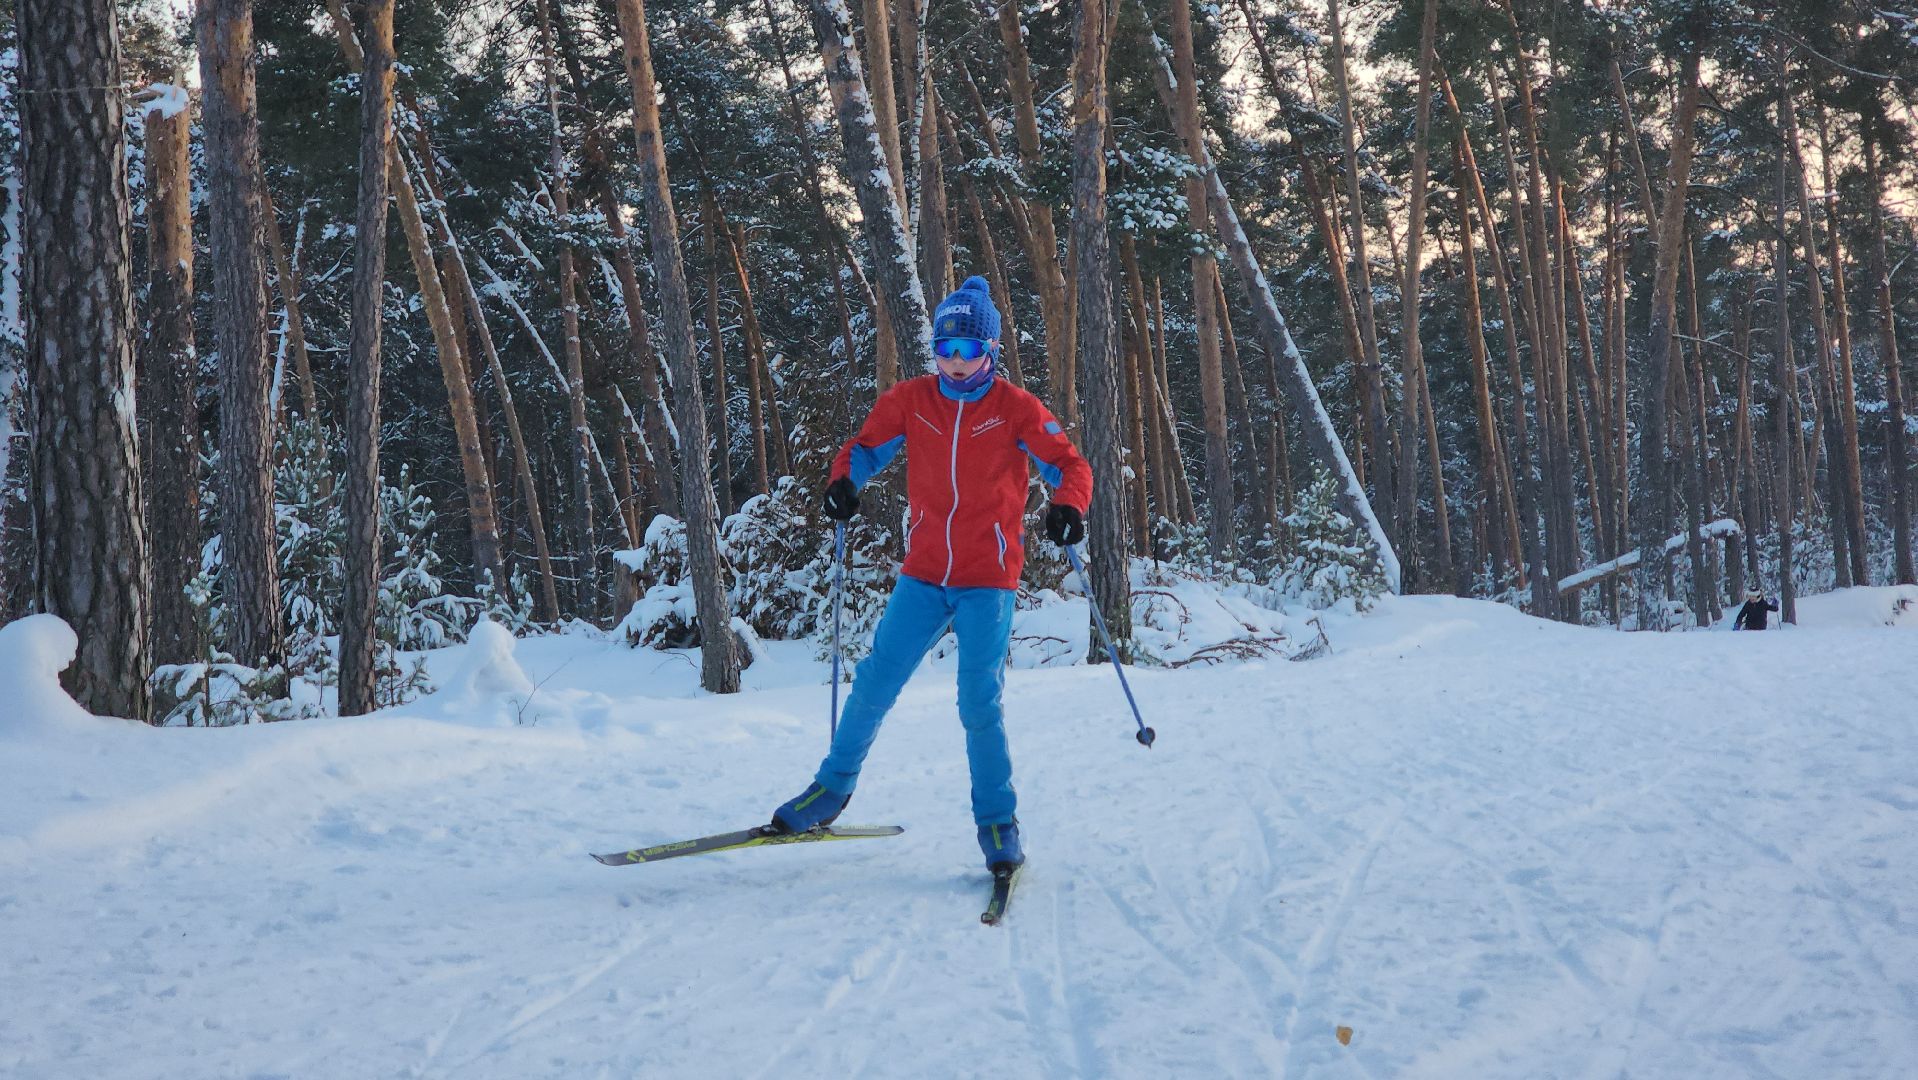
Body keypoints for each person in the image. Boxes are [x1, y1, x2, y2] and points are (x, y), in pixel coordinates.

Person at [768, 276, 1092, 873]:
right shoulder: (913, 400)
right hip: (923, 575)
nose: (955, 363)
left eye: (968, 351)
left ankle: (997, 822)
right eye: (945, 350)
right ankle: (831, 790)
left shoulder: (1015, 409)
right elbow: (864, 448)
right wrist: (845, 483)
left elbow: (1068, 464)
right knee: (872, 684)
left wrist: (1069, 505)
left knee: (978, 704)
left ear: (990, 350)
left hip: (988, 580)